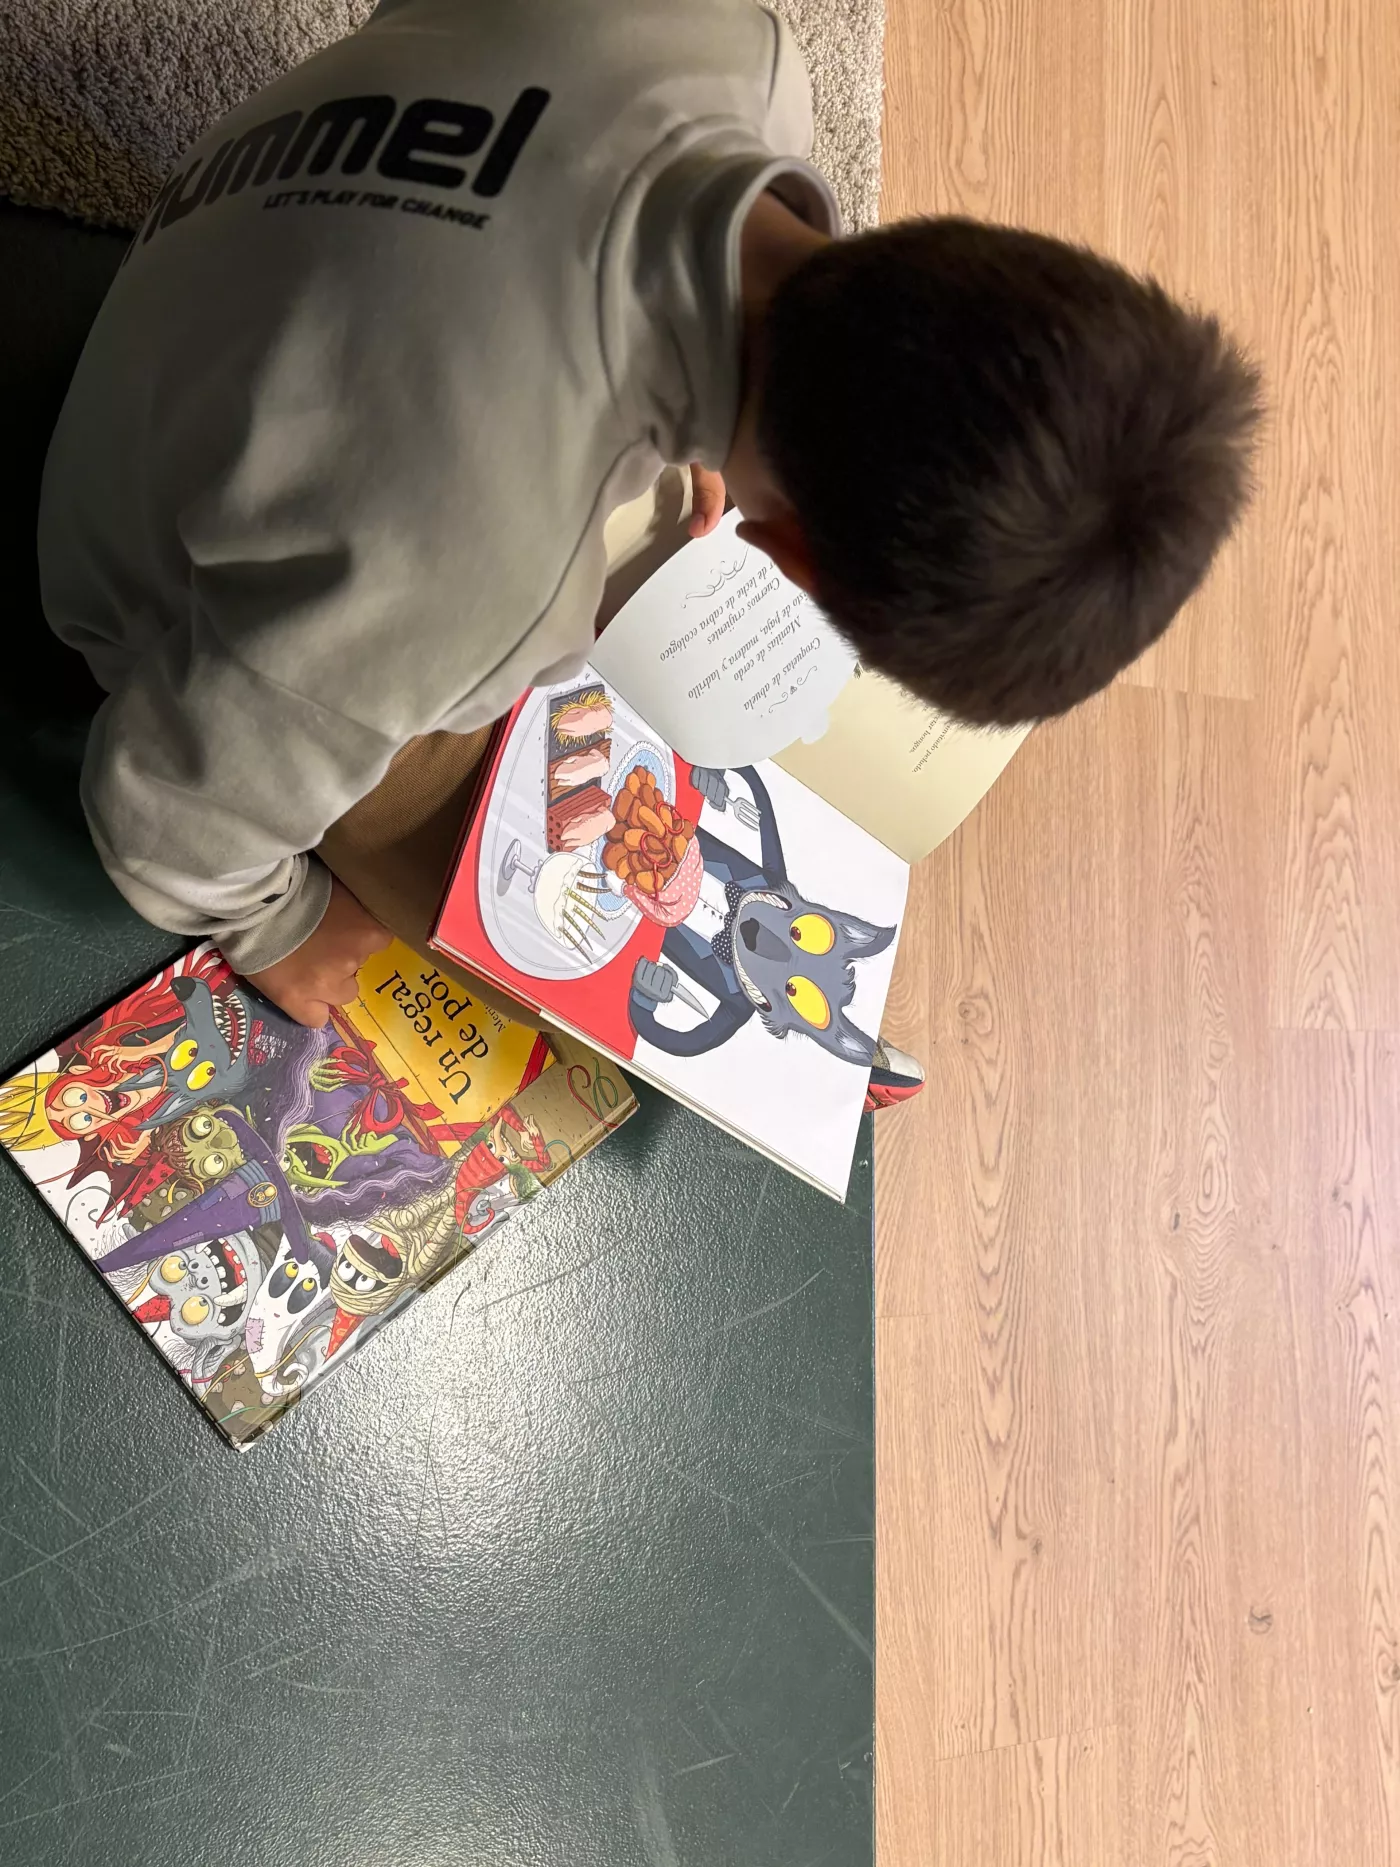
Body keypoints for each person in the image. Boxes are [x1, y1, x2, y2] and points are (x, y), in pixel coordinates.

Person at [38, 0, 1260, 1031]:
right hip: (118, 527)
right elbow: (157, 818)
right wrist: (278, 927)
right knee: (462, 886)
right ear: (785, 562)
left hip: (250, 240)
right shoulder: (487, 591)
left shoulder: (738, 50)